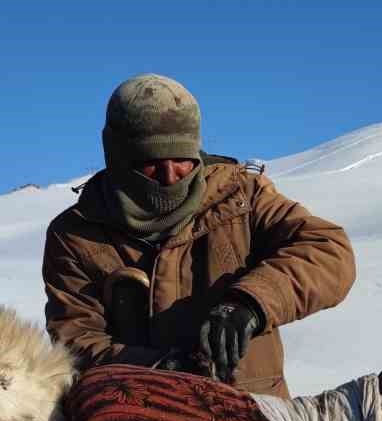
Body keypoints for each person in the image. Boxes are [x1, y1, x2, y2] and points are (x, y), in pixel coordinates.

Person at [42, 73, 355, 398]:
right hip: (141, 415)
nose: (169, 176)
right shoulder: (76, 234)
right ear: (117, 158)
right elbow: (75, 338)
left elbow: (328, 250)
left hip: (255, 410)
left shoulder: (242, 198)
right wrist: (155, 369)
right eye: (149, 162)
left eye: (182, 159)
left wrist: (250, 303)